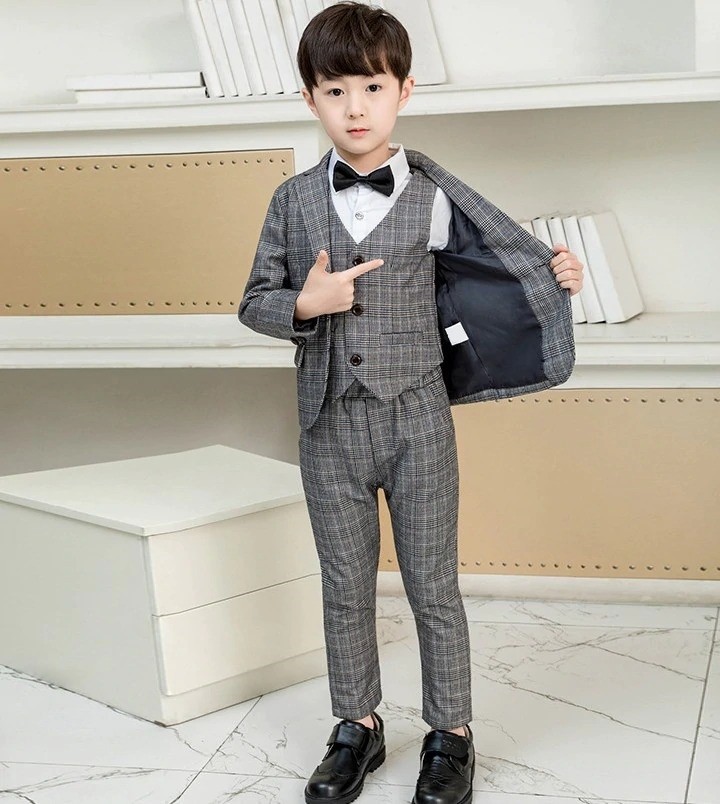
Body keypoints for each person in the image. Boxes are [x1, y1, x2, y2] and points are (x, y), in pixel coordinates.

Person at [238, 4, 584, 802]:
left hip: (418, 418)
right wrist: (305, 303)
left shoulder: (434, 195)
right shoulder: (292, 201)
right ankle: (355, 725)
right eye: (335, 91)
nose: (354, 108)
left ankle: (450, 733)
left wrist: (557, 277)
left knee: (433, 584)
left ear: (404, 91)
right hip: (327, 424)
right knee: (344, 584)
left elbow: (497, 269)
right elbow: (254, 300)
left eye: (372, 87)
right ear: (309, 99)